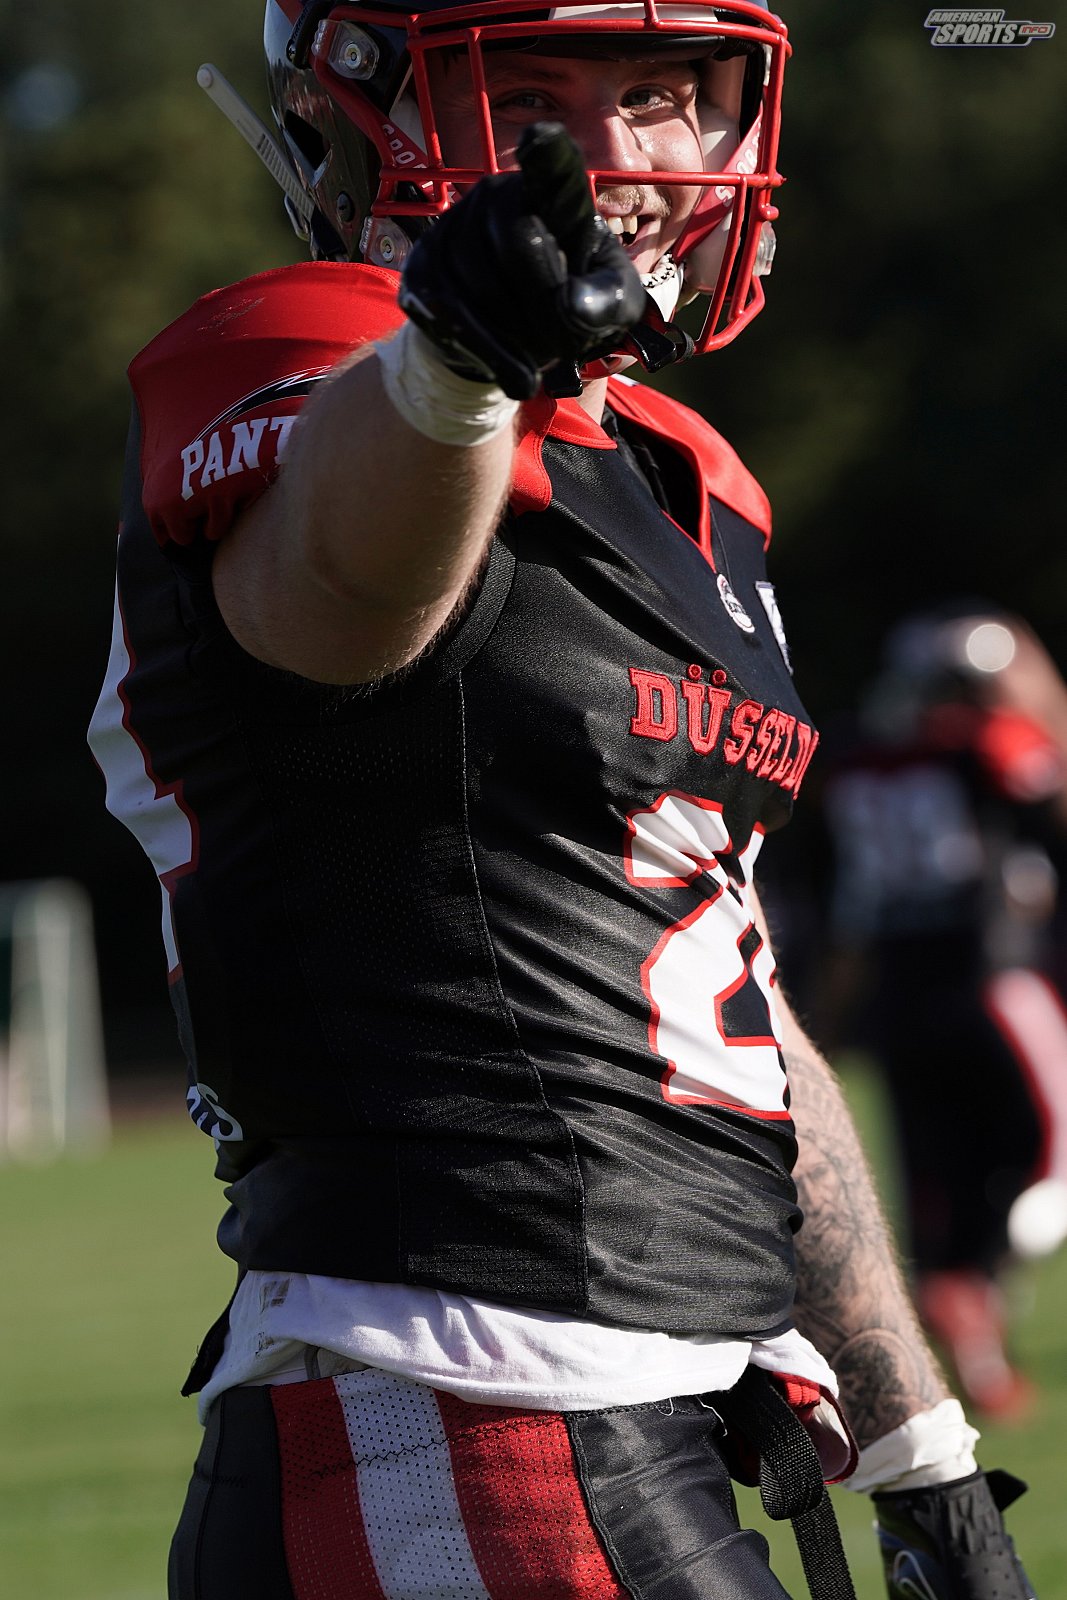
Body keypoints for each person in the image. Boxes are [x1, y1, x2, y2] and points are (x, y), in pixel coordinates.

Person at [87, 2, 1035, 1595]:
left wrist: (914, 1450)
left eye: (659, 94)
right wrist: (452, 368)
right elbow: (332, 598)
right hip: (459, 1400)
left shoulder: (689, 476)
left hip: (638, 1403)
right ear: (350, 120)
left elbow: (737, 1001)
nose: (614, 154)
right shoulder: (305, 350)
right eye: (524, 91)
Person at [821, 602, 1067, 1421]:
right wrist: (1040, 697)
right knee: (1047, 1161)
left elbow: (849, 906)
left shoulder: (858, 759)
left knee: (938, 1184)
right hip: (991, 982)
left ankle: (973, 1346)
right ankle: (979, 1278)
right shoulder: (989, 742)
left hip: (897, 997)